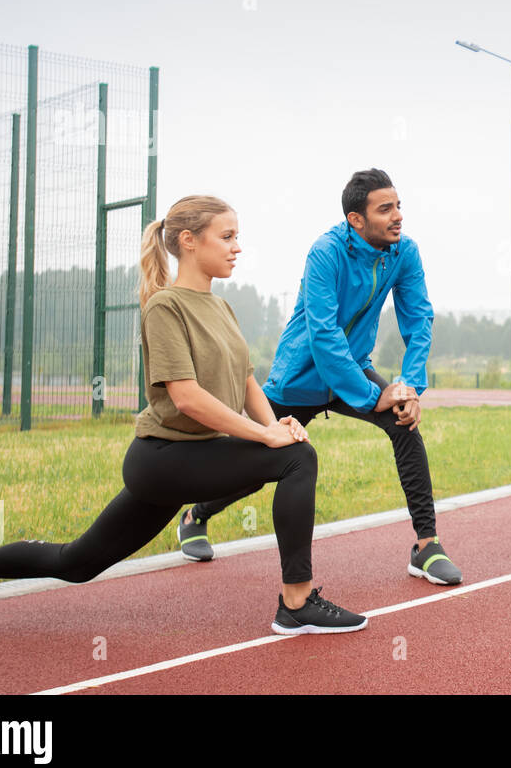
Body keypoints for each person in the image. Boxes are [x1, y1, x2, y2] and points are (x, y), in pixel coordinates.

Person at [0, 195, 367, 635]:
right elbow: (186, 398)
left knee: (76, 563)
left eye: (236, 237)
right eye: (226, 236)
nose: (237, 247)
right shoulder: (164, 305)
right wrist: (266, 439)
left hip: (194, 458)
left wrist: (274, 425)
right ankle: (296, 604)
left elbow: (247, 382)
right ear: (189, 240)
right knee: (295, 460)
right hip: (163, 459)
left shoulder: (221, 306)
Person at [177, 169, 463, 585]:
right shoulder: (325, 253)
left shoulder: (404, 252)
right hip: (300, 376)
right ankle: (195, 515)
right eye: (385, 209)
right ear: (356, 220)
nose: (398, 216)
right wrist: (370, 395)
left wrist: (408, 387)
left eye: (399, 206)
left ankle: (426, 544)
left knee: (405, 424)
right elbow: (324, 334)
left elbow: (419, 319)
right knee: (256, 466)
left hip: (355, 369)